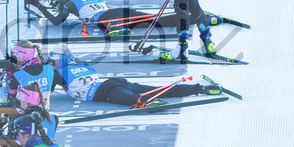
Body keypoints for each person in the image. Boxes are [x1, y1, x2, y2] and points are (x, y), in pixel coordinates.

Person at [24, 0, 199, 36]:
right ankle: (192, 18)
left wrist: (39, 5)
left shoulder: (71, 2)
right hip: (115, 11)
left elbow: (56, 21)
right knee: (154, 20)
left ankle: (115, 30)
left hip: (105, 19)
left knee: (153, 22)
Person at [53, 49, 220, 105]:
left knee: (135, 100)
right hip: (115, 83)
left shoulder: (60, 73)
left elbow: (49, 86)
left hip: (106, 91)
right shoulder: (86, 66)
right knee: (159, 90)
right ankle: (201, 89)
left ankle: (145, 102)